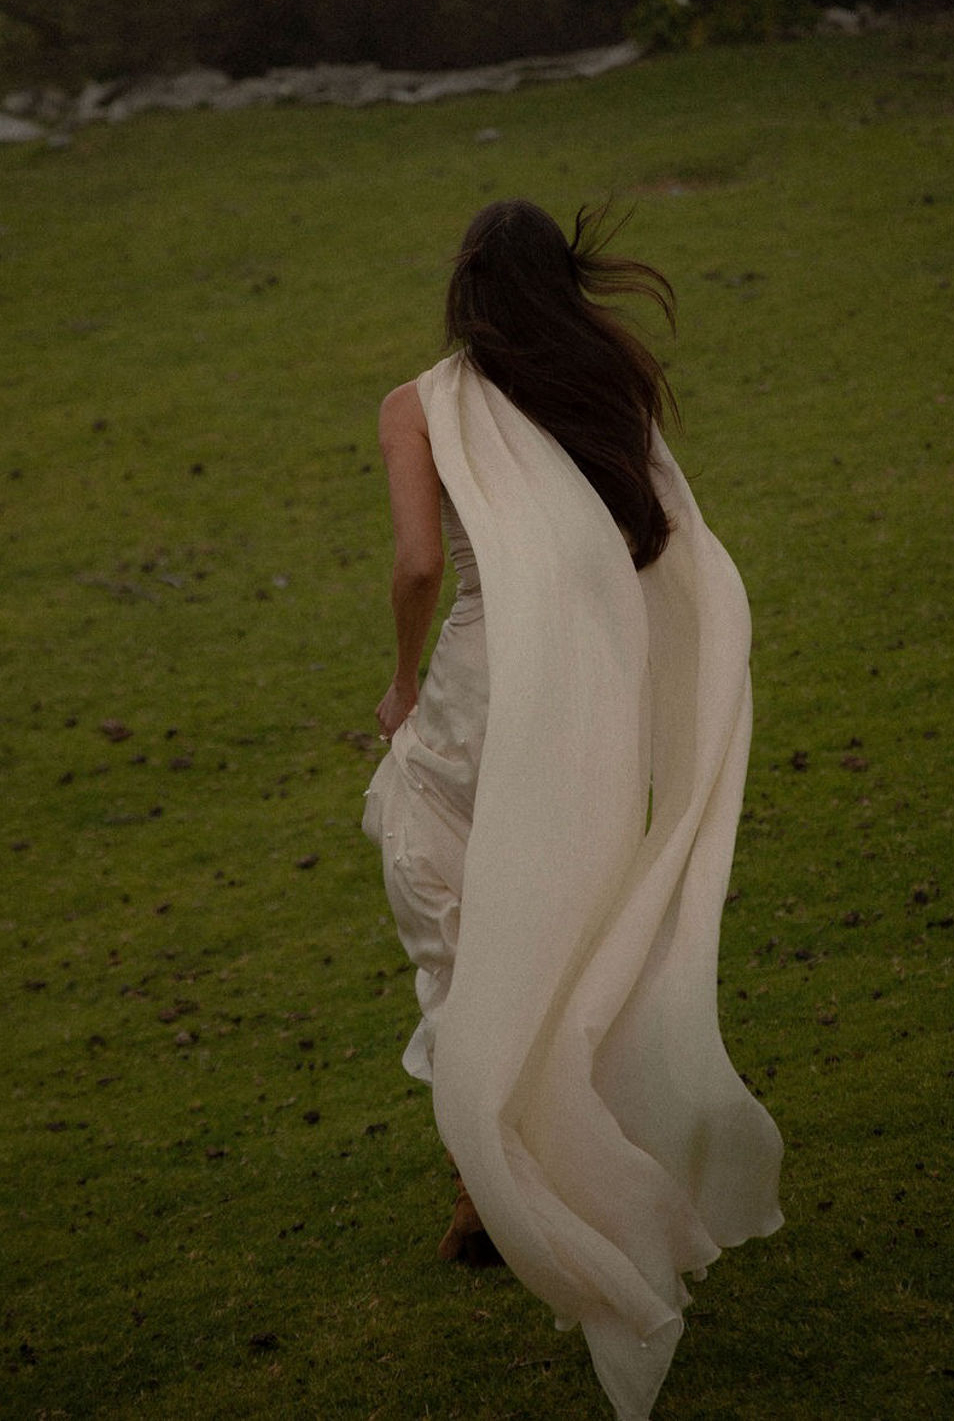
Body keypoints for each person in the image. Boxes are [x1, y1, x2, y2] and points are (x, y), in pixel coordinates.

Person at [363, 199, 783, 1419]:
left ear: (464, 285)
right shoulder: (608, 382)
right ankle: (512, 1150)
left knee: (439, 883)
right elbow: (655, 541)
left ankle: (491, 1163)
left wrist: (401, 680)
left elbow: (420, 564)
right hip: (588, 687)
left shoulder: (417, 405)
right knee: (560, 910)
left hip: (485, 682)